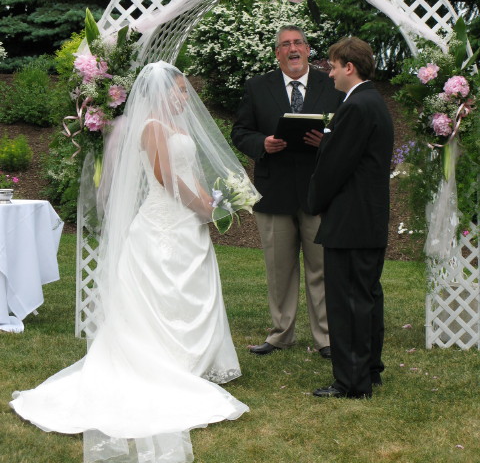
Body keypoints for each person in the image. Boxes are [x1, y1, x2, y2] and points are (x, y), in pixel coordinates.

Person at [10, 61, 260, 463]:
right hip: (163, 223)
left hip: (187, 223)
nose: (185, 96)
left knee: (189, 289)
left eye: (185, 90)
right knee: (160, 292)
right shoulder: (152, 128)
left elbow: (189, 173)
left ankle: (192, 360)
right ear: (161, 93)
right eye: (179, 90)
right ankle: (161, 361)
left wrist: (212, 205)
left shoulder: (176, 127)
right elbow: (165, 178)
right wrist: (201, 207)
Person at [231, 26, 344, 357]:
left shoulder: (332, 84)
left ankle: (326, 338)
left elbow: (348, 130)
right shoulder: (257, 87)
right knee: (279, 269)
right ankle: (281, 334)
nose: (292, 49)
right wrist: (262, 143)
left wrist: (327, 142)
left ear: (307, 49)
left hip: (318, 191)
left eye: (298, 43)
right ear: (277, 53)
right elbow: (240, 132)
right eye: (285, 45)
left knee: (322, 267)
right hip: (274, 191)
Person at [308, 37, 394, 399]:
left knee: (348, 302)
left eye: (332, 66)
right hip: (367, 218)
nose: (329, 74)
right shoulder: (372, 101)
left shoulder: (356, 106)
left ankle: (352, 381)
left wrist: (314, 201)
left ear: (349, 67)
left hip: (350, 221)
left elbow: (335, 166)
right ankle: (369, 369)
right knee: (366, 296)